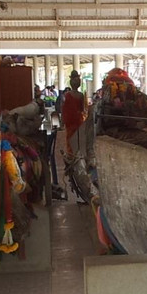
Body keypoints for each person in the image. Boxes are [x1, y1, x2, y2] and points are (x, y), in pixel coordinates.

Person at [53, 70, 88, 200]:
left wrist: (62, 123)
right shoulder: (81, 95)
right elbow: (84, 110)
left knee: (70, 144)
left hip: (71, 124)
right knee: (79, 143)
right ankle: (79, 158)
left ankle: (72, 159)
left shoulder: (67, 95)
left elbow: (65, 111)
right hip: (79, 121)